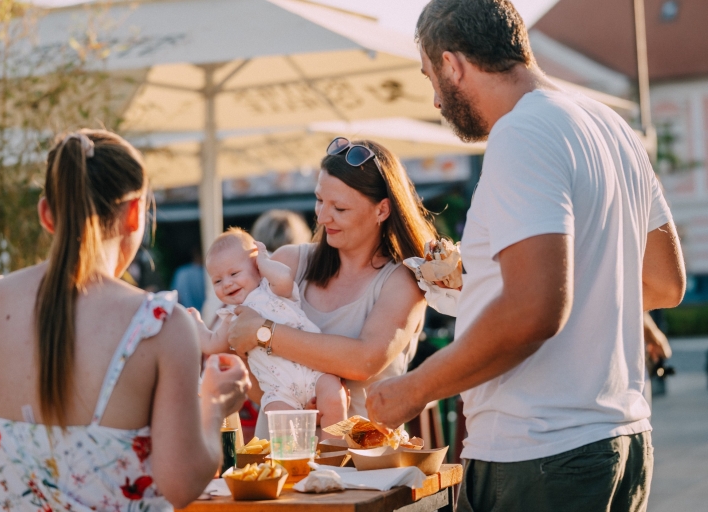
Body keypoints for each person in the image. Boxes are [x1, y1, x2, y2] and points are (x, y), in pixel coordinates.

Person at [365, 2, 687, 511]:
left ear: (453, 64)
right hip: (621, 443)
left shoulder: (521, 131)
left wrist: (413, 390)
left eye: (430, 77)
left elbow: (533, 309)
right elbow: (666, 283)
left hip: (540, 453)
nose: (434, 100)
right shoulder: (612, 127)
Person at [0, 130, 250, 511]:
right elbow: (181, 482)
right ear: (134, 213)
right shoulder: (159, 324)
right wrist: (216, 404)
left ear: (46, 215)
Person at [226, 137, 438, 427]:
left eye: (339, 208)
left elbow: (364, 360)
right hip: (280, 458)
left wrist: (265, 333)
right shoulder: (288, 262)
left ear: (382, 210)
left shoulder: (404, 281)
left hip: (360, 466)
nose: (323, 217)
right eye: (319, 200)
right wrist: (296, 401)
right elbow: (237, 354)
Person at [193, 228, 347, 437]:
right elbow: (212, 344)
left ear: (256, 267)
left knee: (334, 397)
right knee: (282, 426)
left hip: (314, 371)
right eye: (217, 281)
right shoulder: (231, 316)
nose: (227, 283)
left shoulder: (272, 289)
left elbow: (284, 276)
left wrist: (264, 261)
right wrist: (196, 324)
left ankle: (333, 452)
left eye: (234, 273)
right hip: (278, 390)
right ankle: (296, 465)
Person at [171, 247, 207, 311]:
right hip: (209, 315)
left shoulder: (181, 272)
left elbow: (176, 298)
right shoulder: (207, 273)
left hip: (188, 315)